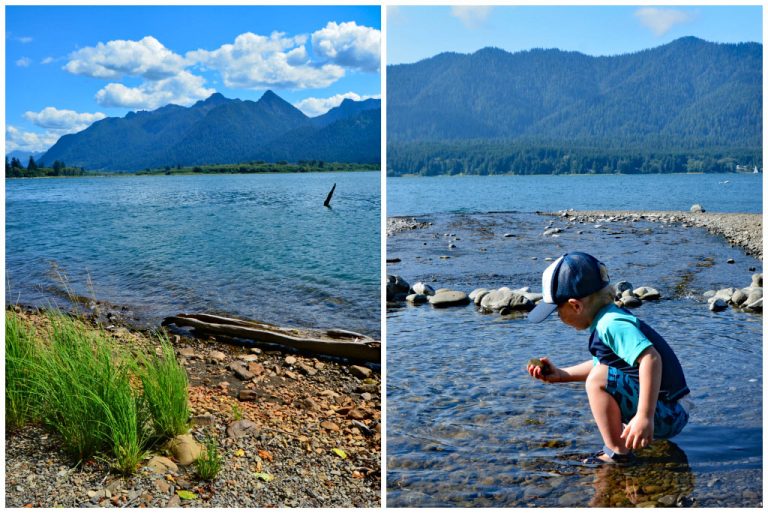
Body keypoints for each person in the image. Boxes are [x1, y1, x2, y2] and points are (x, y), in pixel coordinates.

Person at [526, 252, 689, 464]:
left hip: (670, 412)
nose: (558, 318)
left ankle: (617, 454)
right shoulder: (609, 318)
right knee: (601, 374)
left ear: (576, 305)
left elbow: (651, 359)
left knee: (597, 381)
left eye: (558, 311)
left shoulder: (610, 324)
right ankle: (625, 440)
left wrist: (644, 417)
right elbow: (604, 366)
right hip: (670, 408)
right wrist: (561, 375)